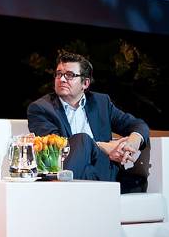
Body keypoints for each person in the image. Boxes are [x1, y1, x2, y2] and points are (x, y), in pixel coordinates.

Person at [27, 51, 150, 193]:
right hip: (66, 169)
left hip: (103, 170)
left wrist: (133, 141)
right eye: (59, 74)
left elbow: (138, 125)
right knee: (82, 140)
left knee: (84, 143)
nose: (62, 79)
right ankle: (65, 195)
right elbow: (55, 147)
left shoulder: (101, 103)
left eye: (70, 75)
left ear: (85, 83)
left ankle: (59, 196)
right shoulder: (41, 108)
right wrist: (103, 146)